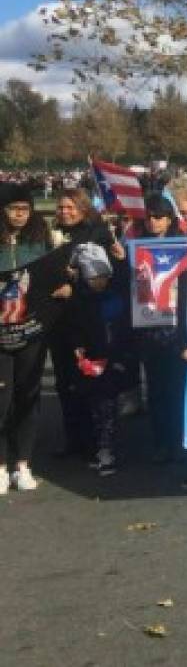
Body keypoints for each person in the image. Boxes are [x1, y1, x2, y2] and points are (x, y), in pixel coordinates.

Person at [0, 183, 71, 493]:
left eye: (25, 208)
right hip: (1, 333)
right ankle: (1, 465)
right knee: (2, 398)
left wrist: (65, 287)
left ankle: (23, 463)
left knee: (29, 394)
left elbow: (55, 277)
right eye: (14, 208)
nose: (20, 214)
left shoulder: (41, 239)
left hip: (31, 331)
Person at [50, 188, 125, 462]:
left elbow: (103, 278)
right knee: (64, 381)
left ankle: (98, 441)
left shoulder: (99, 233)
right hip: (59, 320)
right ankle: (74, 439)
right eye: (60, 207)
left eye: (70, 207)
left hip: (88, 319)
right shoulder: (52, 236)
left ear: (82, 208)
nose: (64, 212)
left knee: (90, 380)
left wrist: (75, 281)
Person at [131, 194, 187, 462]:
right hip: (148, 327)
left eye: (159, 216)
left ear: (169, 219)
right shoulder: (134, 247)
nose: (153, 221)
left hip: (176, 326)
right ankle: (161, 441)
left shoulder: (185, 246)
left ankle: (179, 440)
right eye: (149, 217)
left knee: (177, 388)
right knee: (156, 389)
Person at [71, 243, 127, 476]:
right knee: (93, 407)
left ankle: (107, 452)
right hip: (90, 362)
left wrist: (121, 358)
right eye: (94, 277)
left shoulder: (115, 299)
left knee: (107, 409)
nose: (99, 281)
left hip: (111, 361)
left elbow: (124, 331)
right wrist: (77, 347)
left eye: (103, 276)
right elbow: (75, 328)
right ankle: (98, 449)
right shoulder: (79, 301)